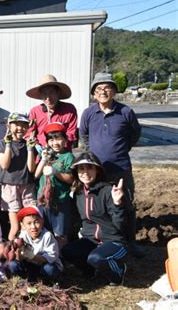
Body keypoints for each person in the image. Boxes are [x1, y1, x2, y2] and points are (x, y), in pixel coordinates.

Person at [79, 72, 143, 257]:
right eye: (98, 88)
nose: (103, 91)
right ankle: (105, 240)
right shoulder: (89, 113)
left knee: (126, 205)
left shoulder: (125, 112)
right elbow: (84, 136)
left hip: (121, 168)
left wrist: (120, 149)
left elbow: (134, 134)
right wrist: (94, 153)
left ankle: (130, 242)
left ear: (114, 91)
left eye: (107, 87)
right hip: (97, 171)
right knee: (100, 206)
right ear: (93, 93)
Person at [61, 152, 129, 286]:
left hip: (113, 241)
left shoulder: (108, 191)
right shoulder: (79, 193)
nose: (85, 173)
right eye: (81, 169)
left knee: (96, 258)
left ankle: (118, 273)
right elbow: (76, 219)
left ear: (97, 170)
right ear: (76, 172)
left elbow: (120, 224)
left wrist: (117, 204)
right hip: (90, 239)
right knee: (67, 251)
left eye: (90, 168)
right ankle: (90, 271)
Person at [0, 112, 37, 241]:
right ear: (8, 125)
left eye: (24, 125)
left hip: (27, 186)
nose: (20, 128)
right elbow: (4, 165)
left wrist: (30, 149)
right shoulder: (2, 144)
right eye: (16, 125)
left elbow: (31, 168)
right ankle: (12, 255)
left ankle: (29, 253)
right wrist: (8, 145)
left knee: (28, 224)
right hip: (10, 187)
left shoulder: (28, 144)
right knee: (15, 227)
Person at [34, 122, 74, 248]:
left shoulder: (68, 157)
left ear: (65, 139)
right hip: (44, 201)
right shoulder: (47, 155)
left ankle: (60, 258)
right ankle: (47, 256)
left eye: (58, 138)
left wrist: (56, 172)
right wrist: (44, 159)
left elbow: (71, 179)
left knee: (60, 233)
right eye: (51, 139)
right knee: (44, 231)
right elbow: (36, 174)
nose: (55, 143)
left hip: (60, 201)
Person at [8, 206, 63, 284]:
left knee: (49, 269)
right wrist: (19, 254)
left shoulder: (47, 236)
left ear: (42, 221)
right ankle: (31, 278)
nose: (33, 226)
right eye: (29, 223)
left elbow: (51, 257)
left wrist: (33, 257)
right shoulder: (23, 236)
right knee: (13, 265)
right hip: (32, 266)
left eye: (36, 222)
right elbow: (20, 258)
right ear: (23, 225)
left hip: (46, 266)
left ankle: (54, 280)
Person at [25, 74, 77, 151]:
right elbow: (29, 134)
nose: (48, 98)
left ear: (58, 92)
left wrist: (59, 145)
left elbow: (71, 134)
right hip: (40, 155)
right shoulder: (35, 111)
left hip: (63, 155)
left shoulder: (69, 110)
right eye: (44, 93)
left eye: (51, 92)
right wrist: (36, 145)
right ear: (40, 95)